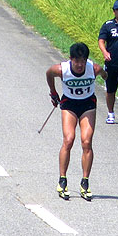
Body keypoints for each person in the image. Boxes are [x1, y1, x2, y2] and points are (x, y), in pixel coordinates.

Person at [46, 42, 107, 201]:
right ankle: (62, 180)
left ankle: (85, 182)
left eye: (83, 61)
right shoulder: (61, 69)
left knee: (87, 142)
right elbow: (49, 74)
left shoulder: (94, 69)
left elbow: (105, 75)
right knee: (68, 139)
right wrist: (53, 93)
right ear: (70, 59)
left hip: (87, 104)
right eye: (76, 61)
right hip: (69, 104)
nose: (80, 65)